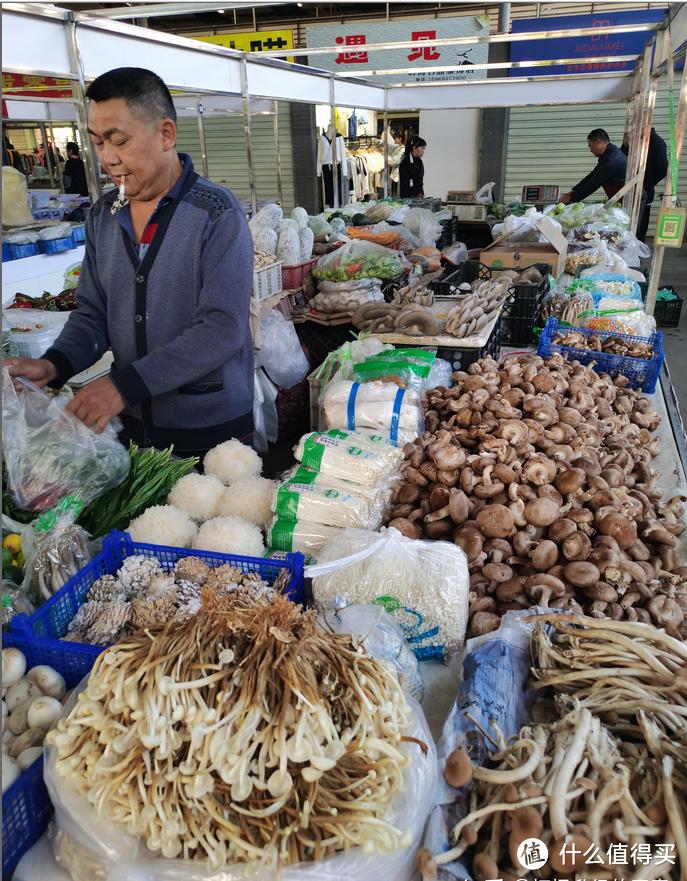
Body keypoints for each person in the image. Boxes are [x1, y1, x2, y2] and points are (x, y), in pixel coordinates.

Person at [4, 67, 255, 461]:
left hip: (209, 432)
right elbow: (92, 314)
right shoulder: (103, 215)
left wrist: (121, 387)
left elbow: (221, 330)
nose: (107, 157)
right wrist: (52, 365)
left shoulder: (216, 214)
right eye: (97, 142)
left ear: (166, 134)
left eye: (119, 140)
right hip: (133, 431)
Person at [621, 127, 668, 243]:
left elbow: (662, 168)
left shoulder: (656, 142)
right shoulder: (633, 140)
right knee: (627, 221)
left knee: (641, 224)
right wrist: (625, 146)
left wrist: (649, 181)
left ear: (647, 126)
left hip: (645, 190)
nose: (635, 129)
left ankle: (638, 254)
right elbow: (622, 160)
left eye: (639, 126)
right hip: (630, 189)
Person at [559, 129, 629, 205]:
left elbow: (594, 183)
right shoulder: (610, 153)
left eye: (590, 146)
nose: (590, 150)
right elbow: (592, 175)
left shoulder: (611, 159)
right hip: (622, 198)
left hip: (629, 199)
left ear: (598, 142)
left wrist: (571, 198)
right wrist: (572, 192)